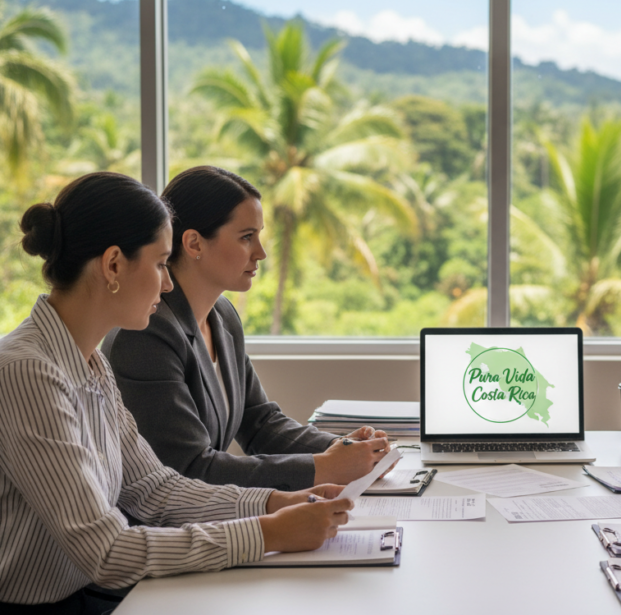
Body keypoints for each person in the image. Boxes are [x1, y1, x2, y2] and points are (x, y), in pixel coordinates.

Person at [0, 173, 353, 613]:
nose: (168, 284)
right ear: (113, 265)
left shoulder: (91, 362)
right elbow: (107, 553)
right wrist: (268, 532)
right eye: (161, 264)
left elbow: (155, 488)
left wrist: (275, 502)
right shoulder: (28, 371)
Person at [103, 166, 389, 491]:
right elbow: (188, 469)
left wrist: (340, 449)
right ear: (194, 243)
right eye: (246, 237)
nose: (261, 253)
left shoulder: (222, 315)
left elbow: (259, 423)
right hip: (161, 529)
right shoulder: (146, 334)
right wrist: (320, 468)